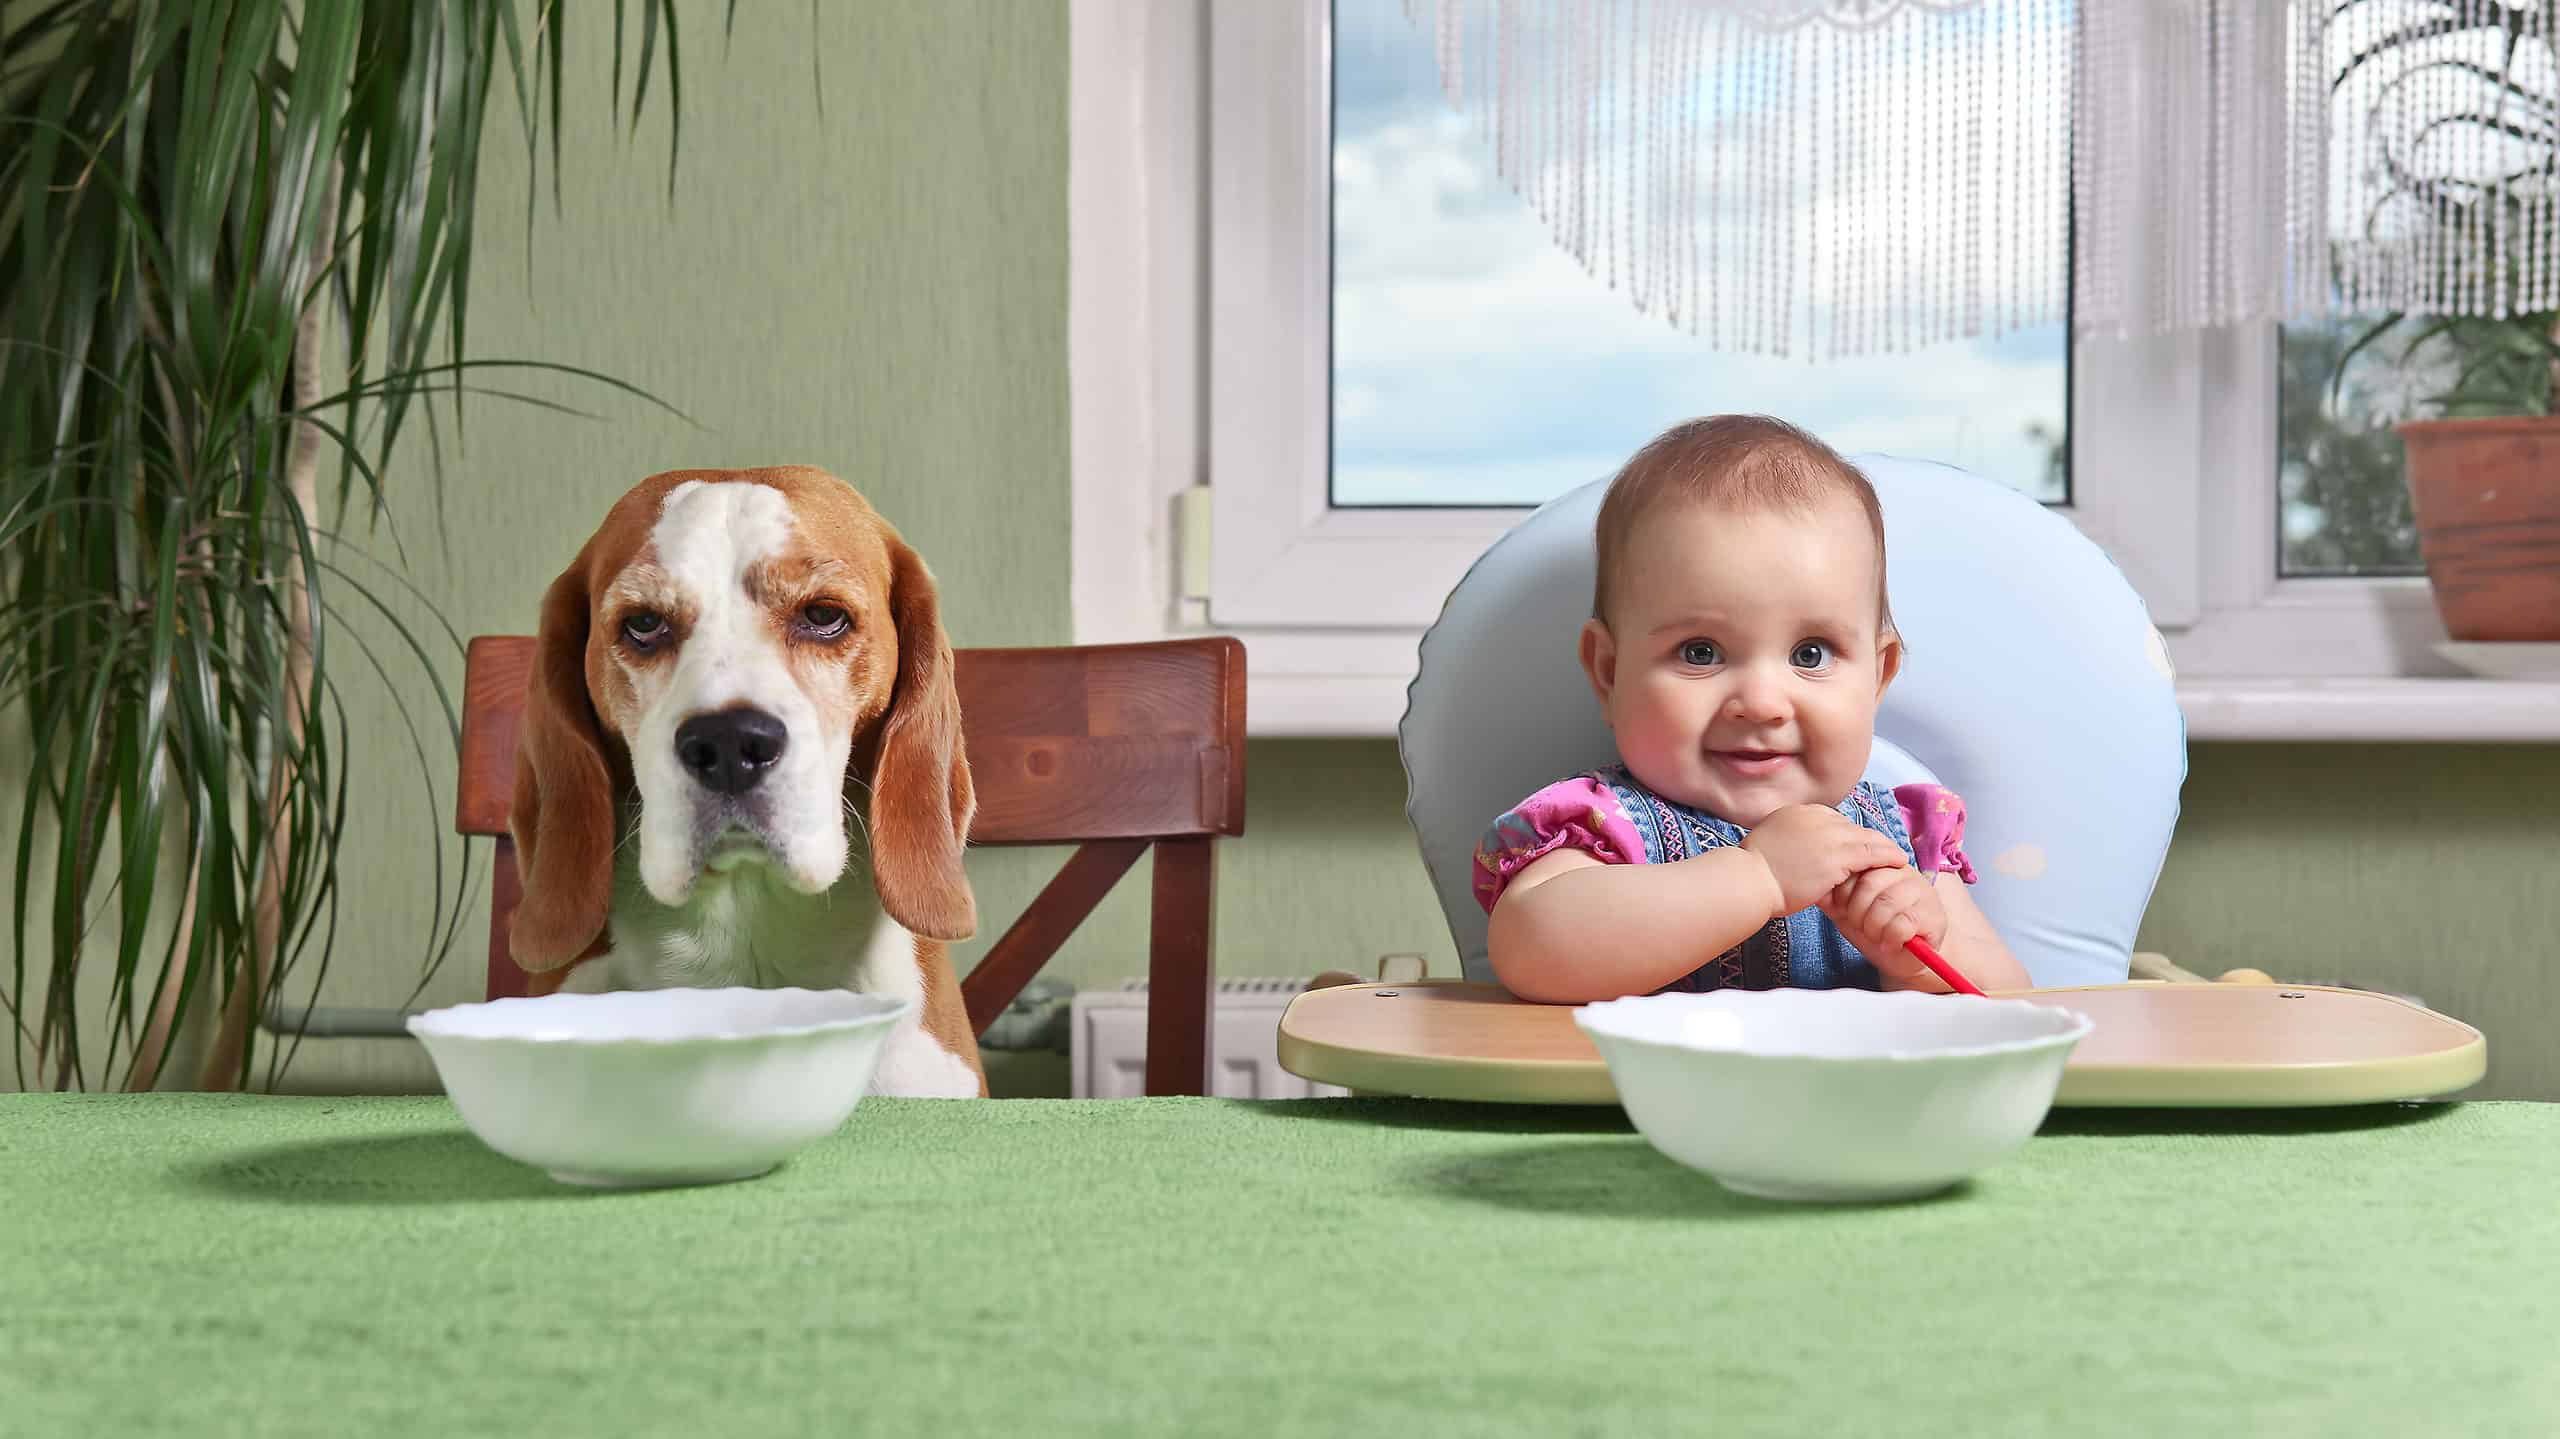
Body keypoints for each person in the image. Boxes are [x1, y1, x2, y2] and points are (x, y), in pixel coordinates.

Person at [1474, 415, 2030, 1003]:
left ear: (1878, 675)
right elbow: (1533, 951)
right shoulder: (1601, 832)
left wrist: (1919, 957)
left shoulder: (1903, 848)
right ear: (1610, 673)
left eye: (1810, 654)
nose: (1762, 705)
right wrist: (1758, 877)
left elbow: (2012, 1003)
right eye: (1701, 652)